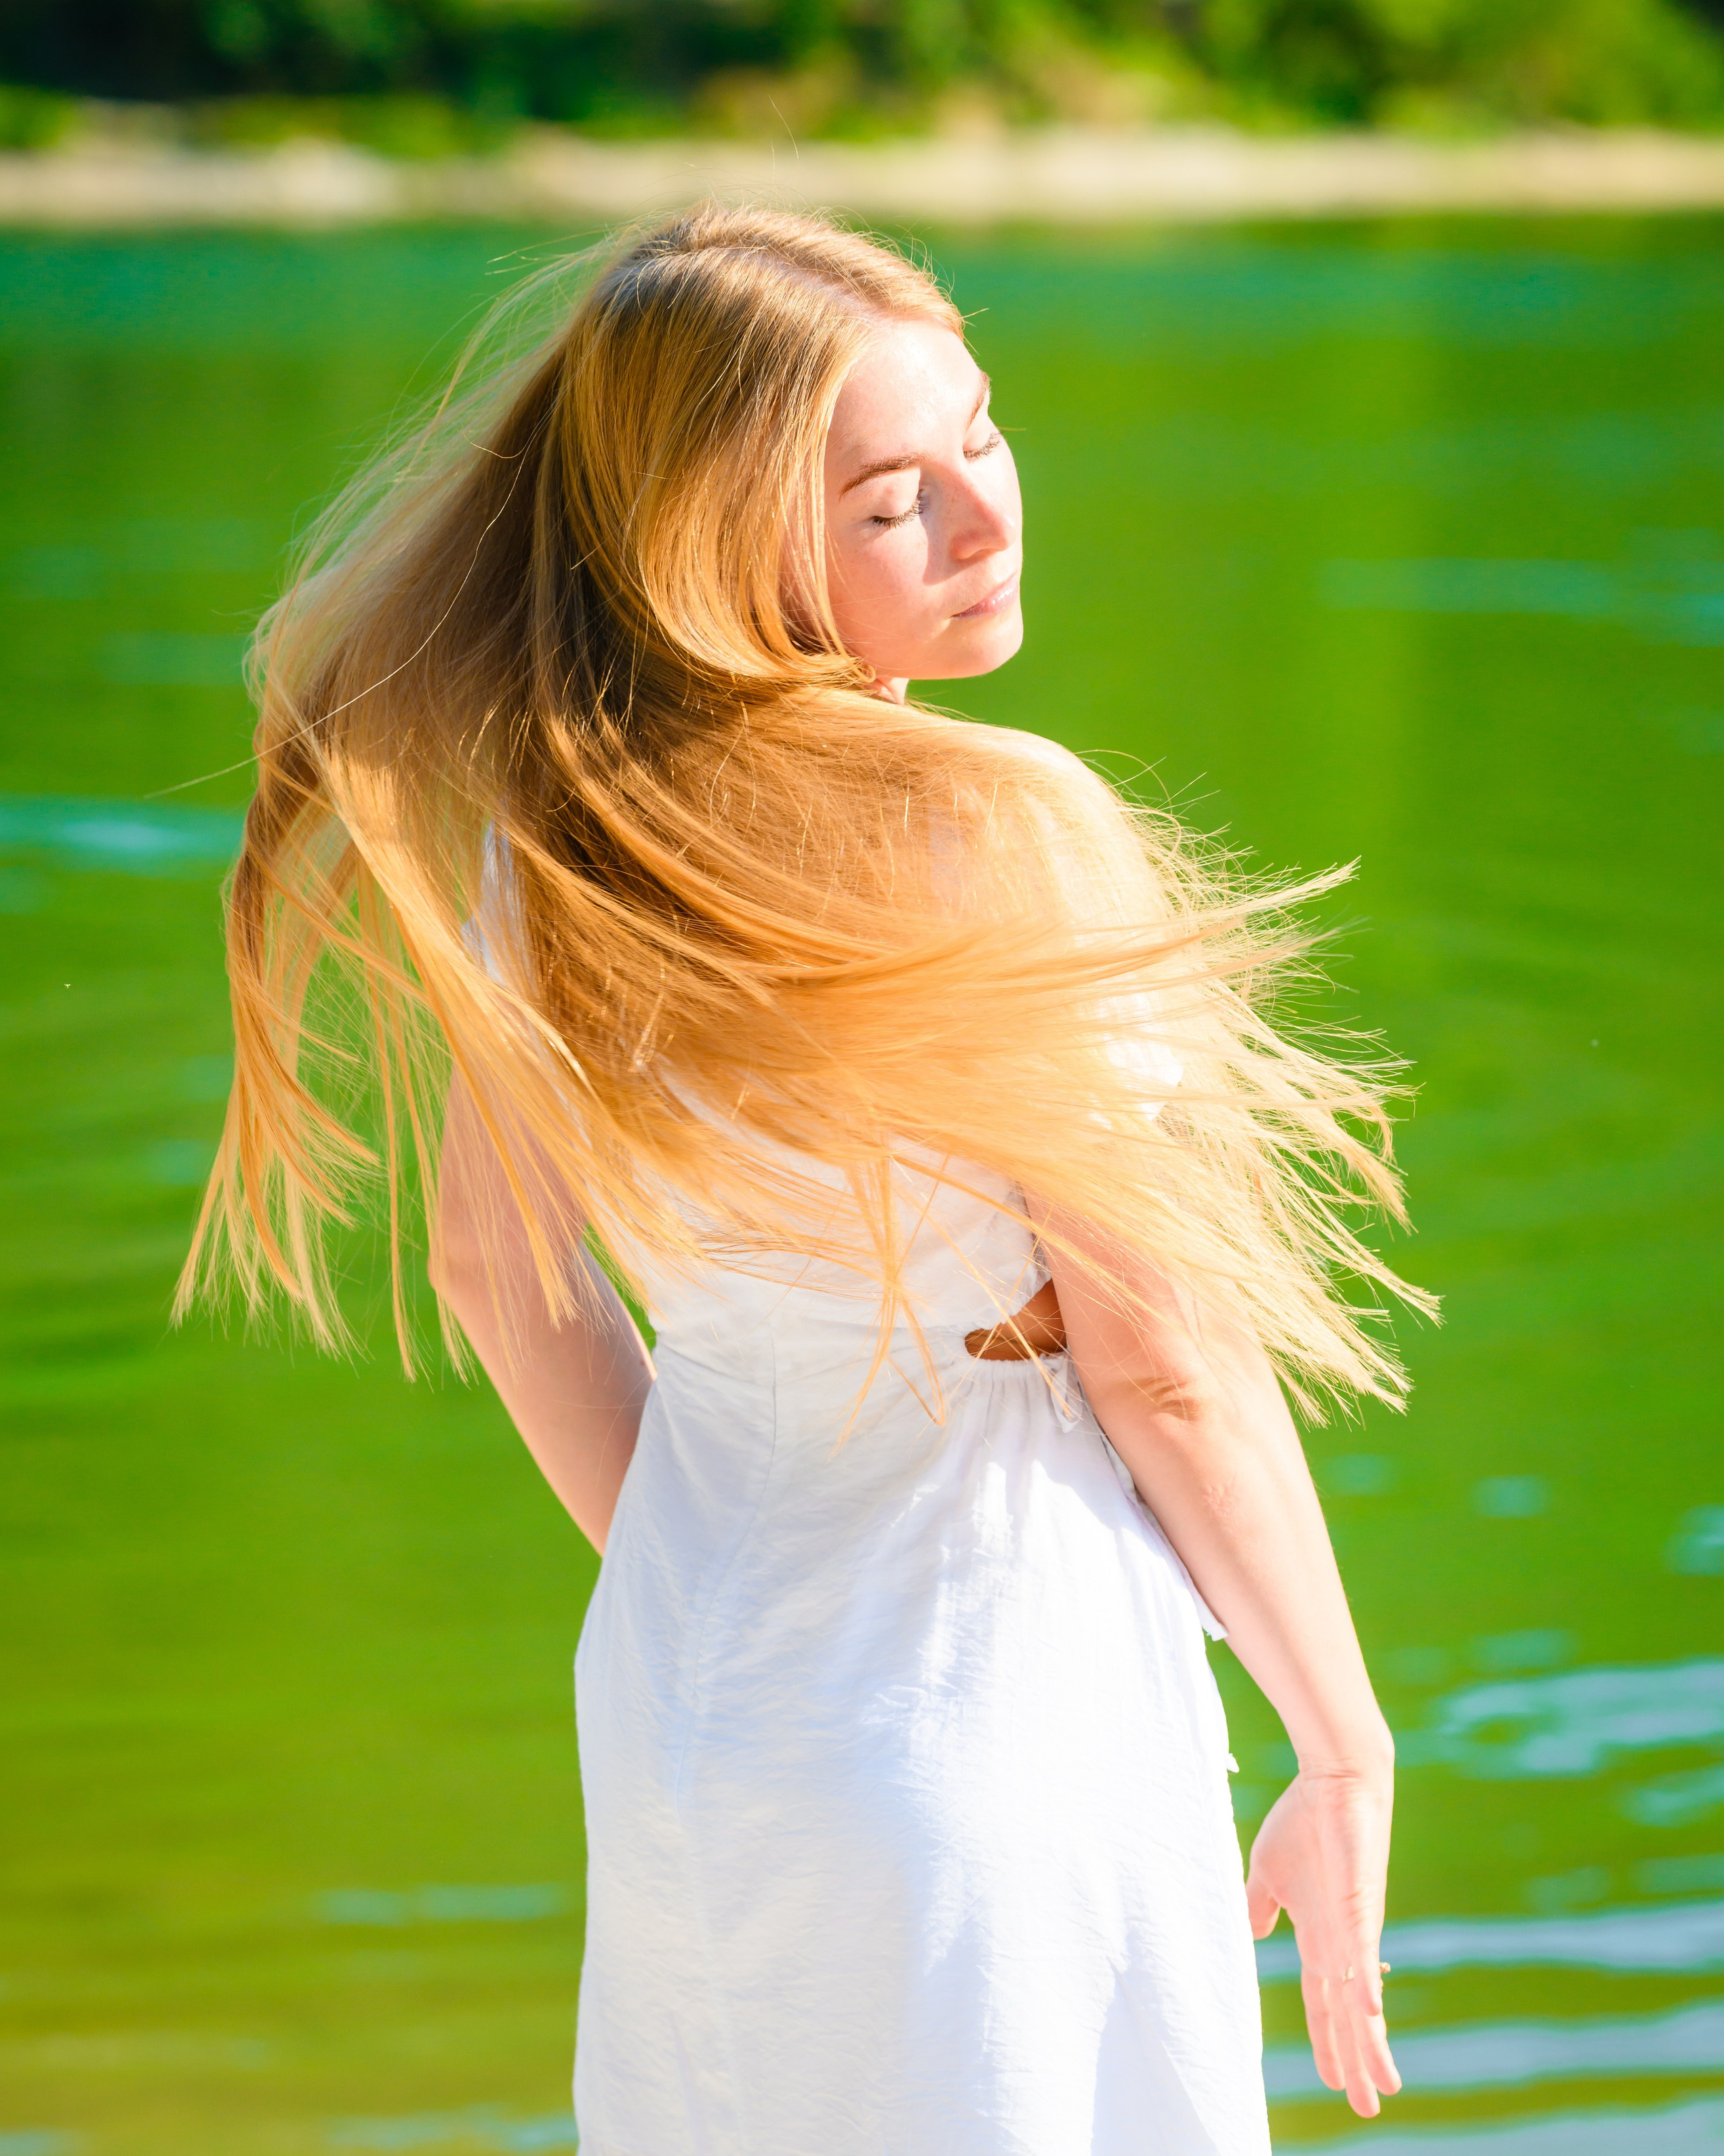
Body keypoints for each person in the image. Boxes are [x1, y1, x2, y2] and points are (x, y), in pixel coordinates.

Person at [184, 203, 1426, 2155]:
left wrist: (716, 1583)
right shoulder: (1010, 827)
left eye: (984, 436)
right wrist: (1341, 1744)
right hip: (1002, 1684)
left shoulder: (549, 845)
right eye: (887, 500)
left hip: (698, 1699)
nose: (987, 517)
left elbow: (501, 1280)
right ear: (719, 539)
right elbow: (1163, 1362)